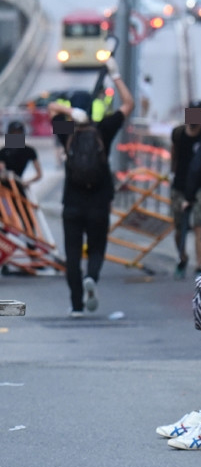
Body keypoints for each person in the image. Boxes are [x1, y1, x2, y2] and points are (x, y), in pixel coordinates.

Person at [47, 58, 134, 318]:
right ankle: (92, 279)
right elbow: (129, 105)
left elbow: (50, 109)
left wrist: (68, 114)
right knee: (96, 248)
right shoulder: (104, 129)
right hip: (99, 200)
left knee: (72, 253)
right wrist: (115, 74)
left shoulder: (66, 130)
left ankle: (76, 306)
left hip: (72, 202)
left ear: (73, 110)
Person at [168, 102, 201, 278]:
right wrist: (172, 173)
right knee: (179, 228)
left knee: (198, 225)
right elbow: (174, 154)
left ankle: (199, 266)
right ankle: (182, 257)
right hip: (180, 185)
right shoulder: (179, 133)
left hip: (198, 187)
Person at [0, 120, 43, 235]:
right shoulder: (2, 152)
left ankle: (31, 246)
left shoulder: (29, 151)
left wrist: (28, 182)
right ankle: (1, 246)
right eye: (13, 133)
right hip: (4, 190)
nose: (16, 136)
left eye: (18, 133)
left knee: (28, 220)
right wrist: (3, 173)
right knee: (4, 219)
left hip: (19, 187)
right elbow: (1, 171)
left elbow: (39, 174)